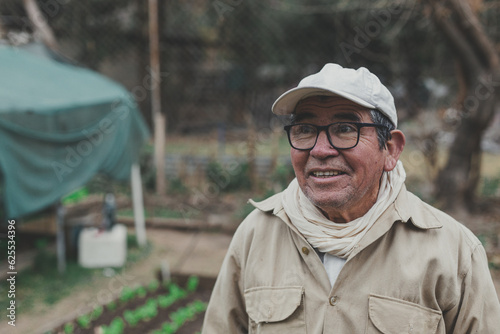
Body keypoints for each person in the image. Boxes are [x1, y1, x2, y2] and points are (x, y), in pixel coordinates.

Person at [201, 63, 500, 333]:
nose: (320, 150)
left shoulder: (454, 252)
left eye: (345, 129)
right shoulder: (255, 235)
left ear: (391, 149)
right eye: (305, 129)